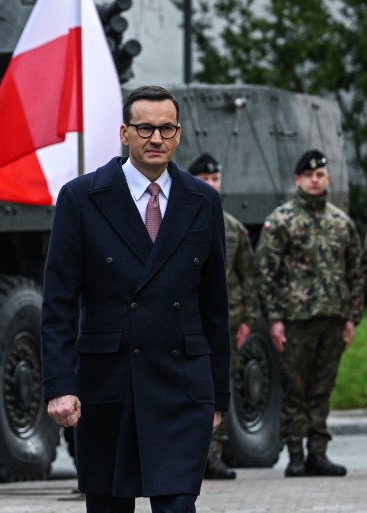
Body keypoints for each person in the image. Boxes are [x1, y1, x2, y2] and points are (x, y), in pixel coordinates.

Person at [41, 85, 231, 513]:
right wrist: (60, 385)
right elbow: (58, 304)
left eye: (167, 128)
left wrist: (218, 395)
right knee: (109, 504)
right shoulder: (82, 198)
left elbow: (215, 305)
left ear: (179, 134)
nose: (156, 138)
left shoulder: (203, 201)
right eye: (145, 128)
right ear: (125, 133)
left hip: (181, 384)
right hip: (108, 384)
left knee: (178, 505)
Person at [255, 149, 363, 478]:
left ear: (327, 178)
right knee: (295, 391)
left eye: (320, 175)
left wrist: (351, 318)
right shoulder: (282, 221)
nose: (315, 180)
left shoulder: (341, 223)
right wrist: (274, 318)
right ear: (297, 180)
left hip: (332, 318)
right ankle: (295, 454)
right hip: (295, 321)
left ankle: (319, 453)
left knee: (321, 390)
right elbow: (266, 272)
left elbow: (356, 273)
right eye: (309, 176)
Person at [188, 152, 260, 480]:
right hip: (187, 322)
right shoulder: (178, 223)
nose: (211, 185)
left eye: (215, 180)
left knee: (220, 386)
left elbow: (248, 277)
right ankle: (189, 454)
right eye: (204, 180)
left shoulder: (233, 229)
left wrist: (247, 319)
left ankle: (213, 455)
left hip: (225, 325)